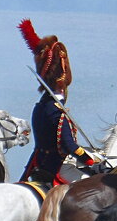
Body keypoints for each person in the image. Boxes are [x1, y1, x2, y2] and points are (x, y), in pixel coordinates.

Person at [18, 19, 101, 184]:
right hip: (56, 168)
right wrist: (92, 161)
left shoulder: (40, 107)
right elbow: (69, 145)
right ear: (63, 84)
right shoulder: (57, 111)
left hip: (39, 164)